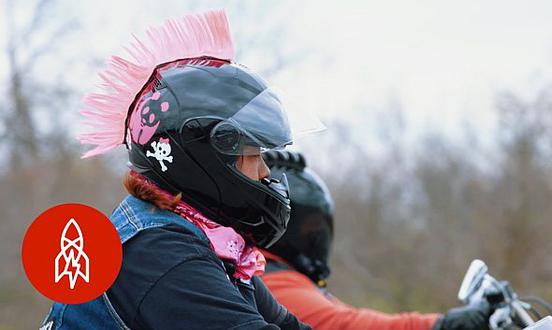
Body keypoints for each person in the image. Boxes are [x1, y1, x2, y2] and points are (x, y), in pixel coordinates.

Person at [41, 10, 312, 330]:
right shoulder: (160, 251)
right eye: (254, 154)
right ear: (206, 158)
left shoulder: (206, 242)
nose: (265, 171)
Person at [260, 150, 492, 330]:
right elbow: (344, 325)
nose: (316, 238)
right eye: (310, 229)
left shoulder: (279, 275)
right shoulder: (267, 279)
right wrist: (442, 325)